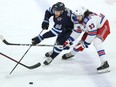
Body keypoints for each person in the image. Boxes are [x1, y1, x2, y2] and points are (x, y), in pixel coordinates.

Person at [63, 6, 110, 73]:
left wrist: (85, 44)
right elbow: (77, 31)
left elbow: (92, 35)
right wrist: (69, 41)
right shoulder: (76, 18)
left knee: (97, 42)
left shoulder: (89, 21)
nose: (77, 18)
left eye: (79, 16)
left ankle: (105, 63)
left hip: (102, 26)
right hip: (91, 29)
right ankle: (72, 53)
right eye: (76, 16)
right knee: (81, 42)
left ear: (83, 15)